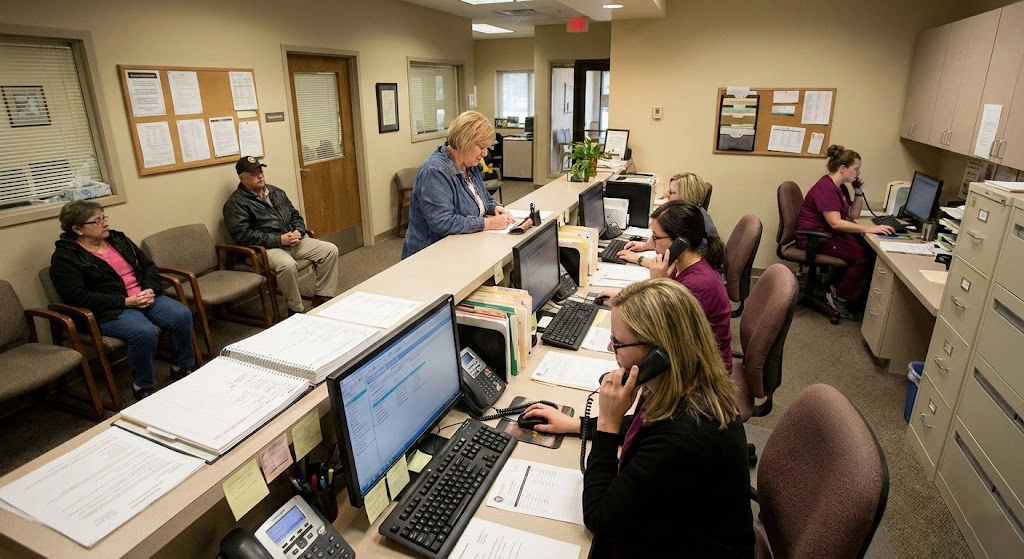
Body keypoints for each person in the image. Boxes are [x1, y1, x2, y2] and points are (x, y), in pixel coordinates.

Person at [522, 279, 754, 558]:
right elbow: (640, 427)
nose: (611, 349)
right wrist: (578, 425)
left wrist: (607, 424)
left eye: (618, 342)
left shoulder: (684, 438)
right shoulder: (681, 382)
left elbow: (599, 518)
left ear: (658, 352)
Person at [50, 201, 197, 400]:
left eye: (104, 217)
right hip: (111, 309)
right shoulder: (65, 258)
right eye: (96, 221)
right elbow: (76, 296)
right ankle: (143, 385)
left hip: (143, 296)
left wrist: (149, 289)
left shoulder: (118, 240)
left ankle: (182, 366)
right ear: (77, 229)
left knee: (182, 314)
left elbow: (148, 266)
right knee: (145, 333)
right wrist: (125, 301)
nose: (104, 224)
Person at [598, 200, 733, 372]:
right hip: (690, 357)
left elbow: (660, 332)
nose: (651, 244)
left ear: (681, 242)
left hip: (705, 371)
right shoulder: (682, 264)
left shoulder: (698, 285)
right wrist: (625, 301)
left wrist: (657, 284)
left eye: (656, 237)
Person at [223, 156, 339, 317]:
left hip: (293, 241)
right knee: (287, 265)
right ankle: (296, 309)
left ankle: (323, 296)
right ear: (242, 178)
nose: (260, 175)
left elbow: (294, 215)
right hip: (265, 249)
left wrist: (299, 231)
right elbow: (243, 236)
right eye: (253, 174)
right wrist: (279, 239)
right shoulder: (235, 204)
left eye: (260, 171)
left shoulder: (276, 192)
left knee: (329, 250)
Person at [401, 110, 517, 259]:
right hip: (431, 256)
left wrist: (495, 207)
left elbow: (483, 198)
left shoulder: (469, 164)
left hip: (462, 248)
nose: (485, 154)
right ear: (464, 140)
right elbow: (443, 222)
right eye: (481, 147)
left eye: (487, 147)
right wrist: (488, 223)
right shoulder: (435, 171)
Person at [797, 144, 894, 318]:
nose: (858, 173)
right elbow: (835, 223)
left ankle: (837, 287)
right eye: (856, 169)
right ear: (843, 168)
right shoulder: (826, 188)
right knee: (861, 258)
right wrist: (871, 228)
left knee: (864, 251)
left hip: (828, 234)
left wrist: (858, 192)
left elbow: (853, 215)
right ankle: (839, 298)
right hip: (814, 238)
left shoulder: (839, 187)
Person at [615, 172, 718, 267]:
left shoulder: (691, 225)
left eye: (672, 192)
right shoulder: (695, 214)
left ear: (685, 196)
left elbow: (671, 266)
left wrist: (638, 259)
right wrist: (648, 245)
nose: (667, 196)